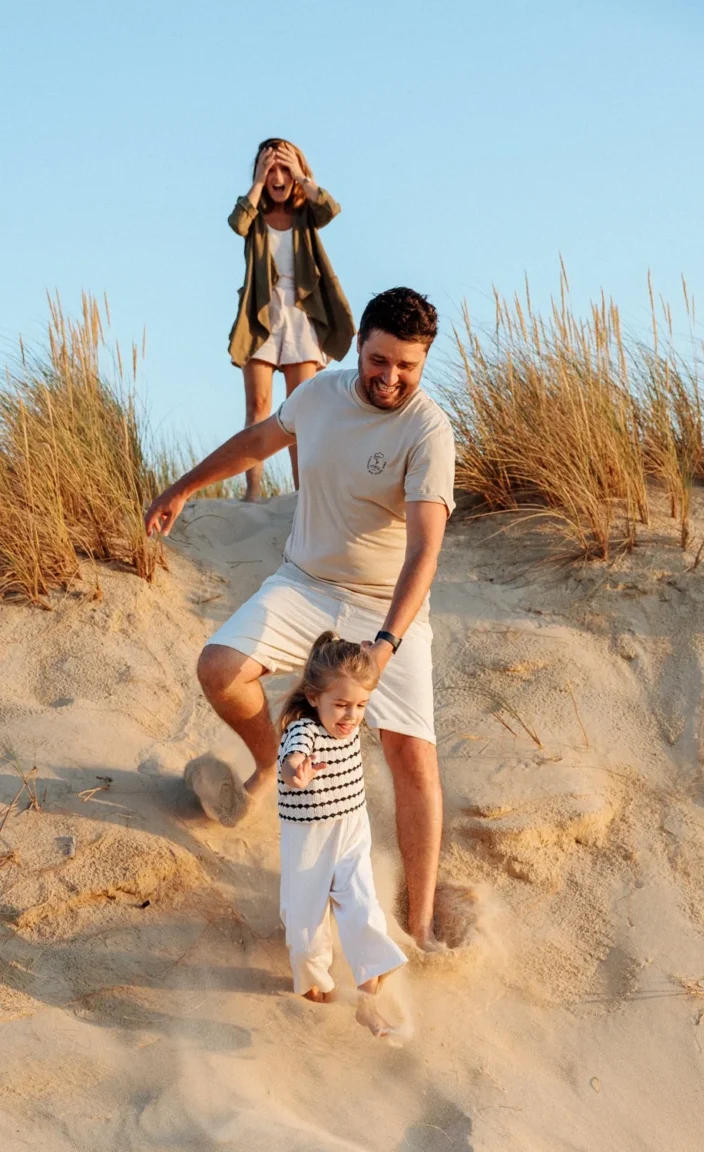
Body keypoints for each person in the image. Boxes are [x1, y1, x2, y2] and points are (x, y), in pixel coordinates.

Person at [145, 287, 456, 952]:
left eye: (407, 366)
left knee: (411, 757)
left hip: (386, 604)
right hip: (304, 583)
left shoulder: (428, 430)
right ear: (360, 348)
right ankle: (271, 763)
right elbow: (259, 439)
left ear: (423, 363)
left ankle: (423, 923)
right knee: (220, 668)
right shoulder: (319, 395)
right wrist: (183, 487)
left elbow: (426, 549)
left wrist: (386, 644)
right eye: (379, 360)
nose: (390, 377)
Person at [277, 630, 407, 1037]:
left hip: (352, 829)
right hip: (309, 839)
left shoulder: (348, 725)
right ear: (314, 698)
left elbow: (360, 684)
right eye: (342, 705)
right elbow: (291, 759)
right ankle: (315, 980)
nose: (352, 716)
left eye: (361, 705)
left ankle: (368, 1001)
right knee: (305, 920)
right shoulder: (306, 730)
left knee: (363, 906)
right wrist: (295, 773)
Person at [227, 137, 355, 497]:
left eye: (285, 168)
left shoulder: (305, 213)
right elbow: (237, 223)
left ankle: (303, 494)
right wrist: (256, 182)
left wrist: (301, 176)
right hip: (260, 316)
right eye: (271, 169)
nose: (278, 176)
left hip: (301, 316)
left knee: (301, 410)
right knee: (258, 407)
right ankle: (252, 492)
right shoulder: (254, 215)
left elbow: (331, 208)